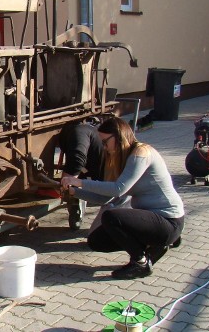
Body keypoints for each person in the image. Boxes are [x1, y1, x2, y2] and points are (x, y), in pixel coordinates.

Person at [60, 117, 184, 280]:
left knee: (112, 217)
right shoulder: (122, 158)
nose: (103, 147)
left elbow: (119, 189)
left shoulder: (141, 153)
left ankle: (141, 263)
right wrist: (74, 192)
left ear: (118, 136)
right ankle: (155, 246)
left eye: (105, 142)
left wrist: (79, 182)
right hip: (154, 221)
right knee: (96, 241)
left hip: (168, 220)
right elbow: (106, 198)